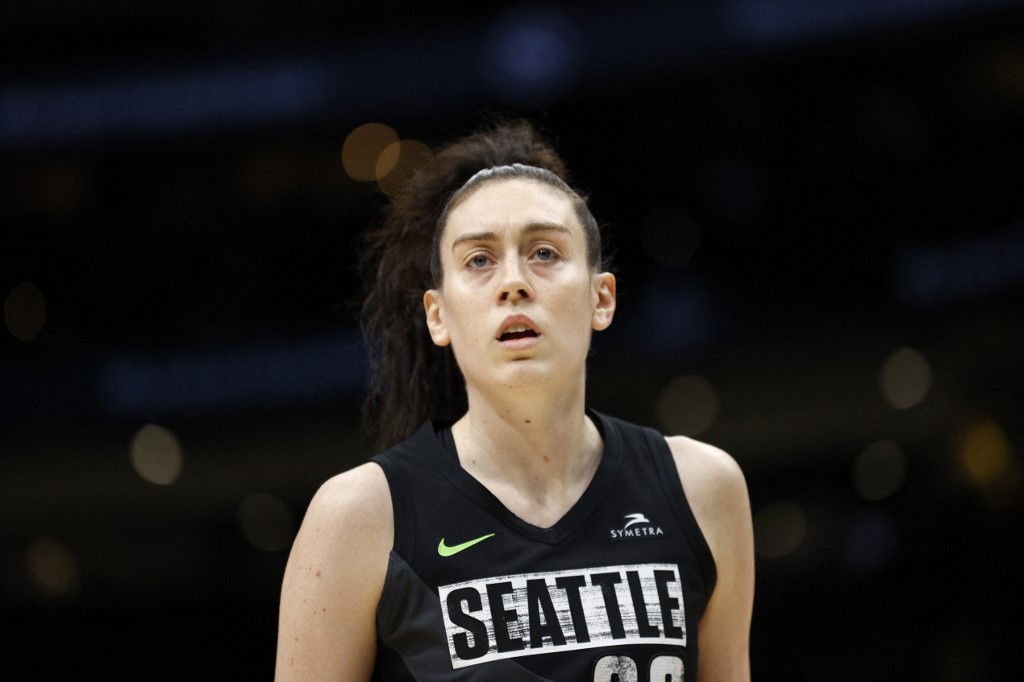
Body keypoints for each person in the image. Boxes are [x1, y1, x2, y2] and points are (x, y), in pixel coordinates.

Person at [275, 120, 754, 681]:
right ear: (438, 315)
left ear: (602, 297)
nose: (513, 283)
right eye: (479, 260)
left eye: (544, 252)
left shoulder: (704, 489)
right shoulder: (357, 517)